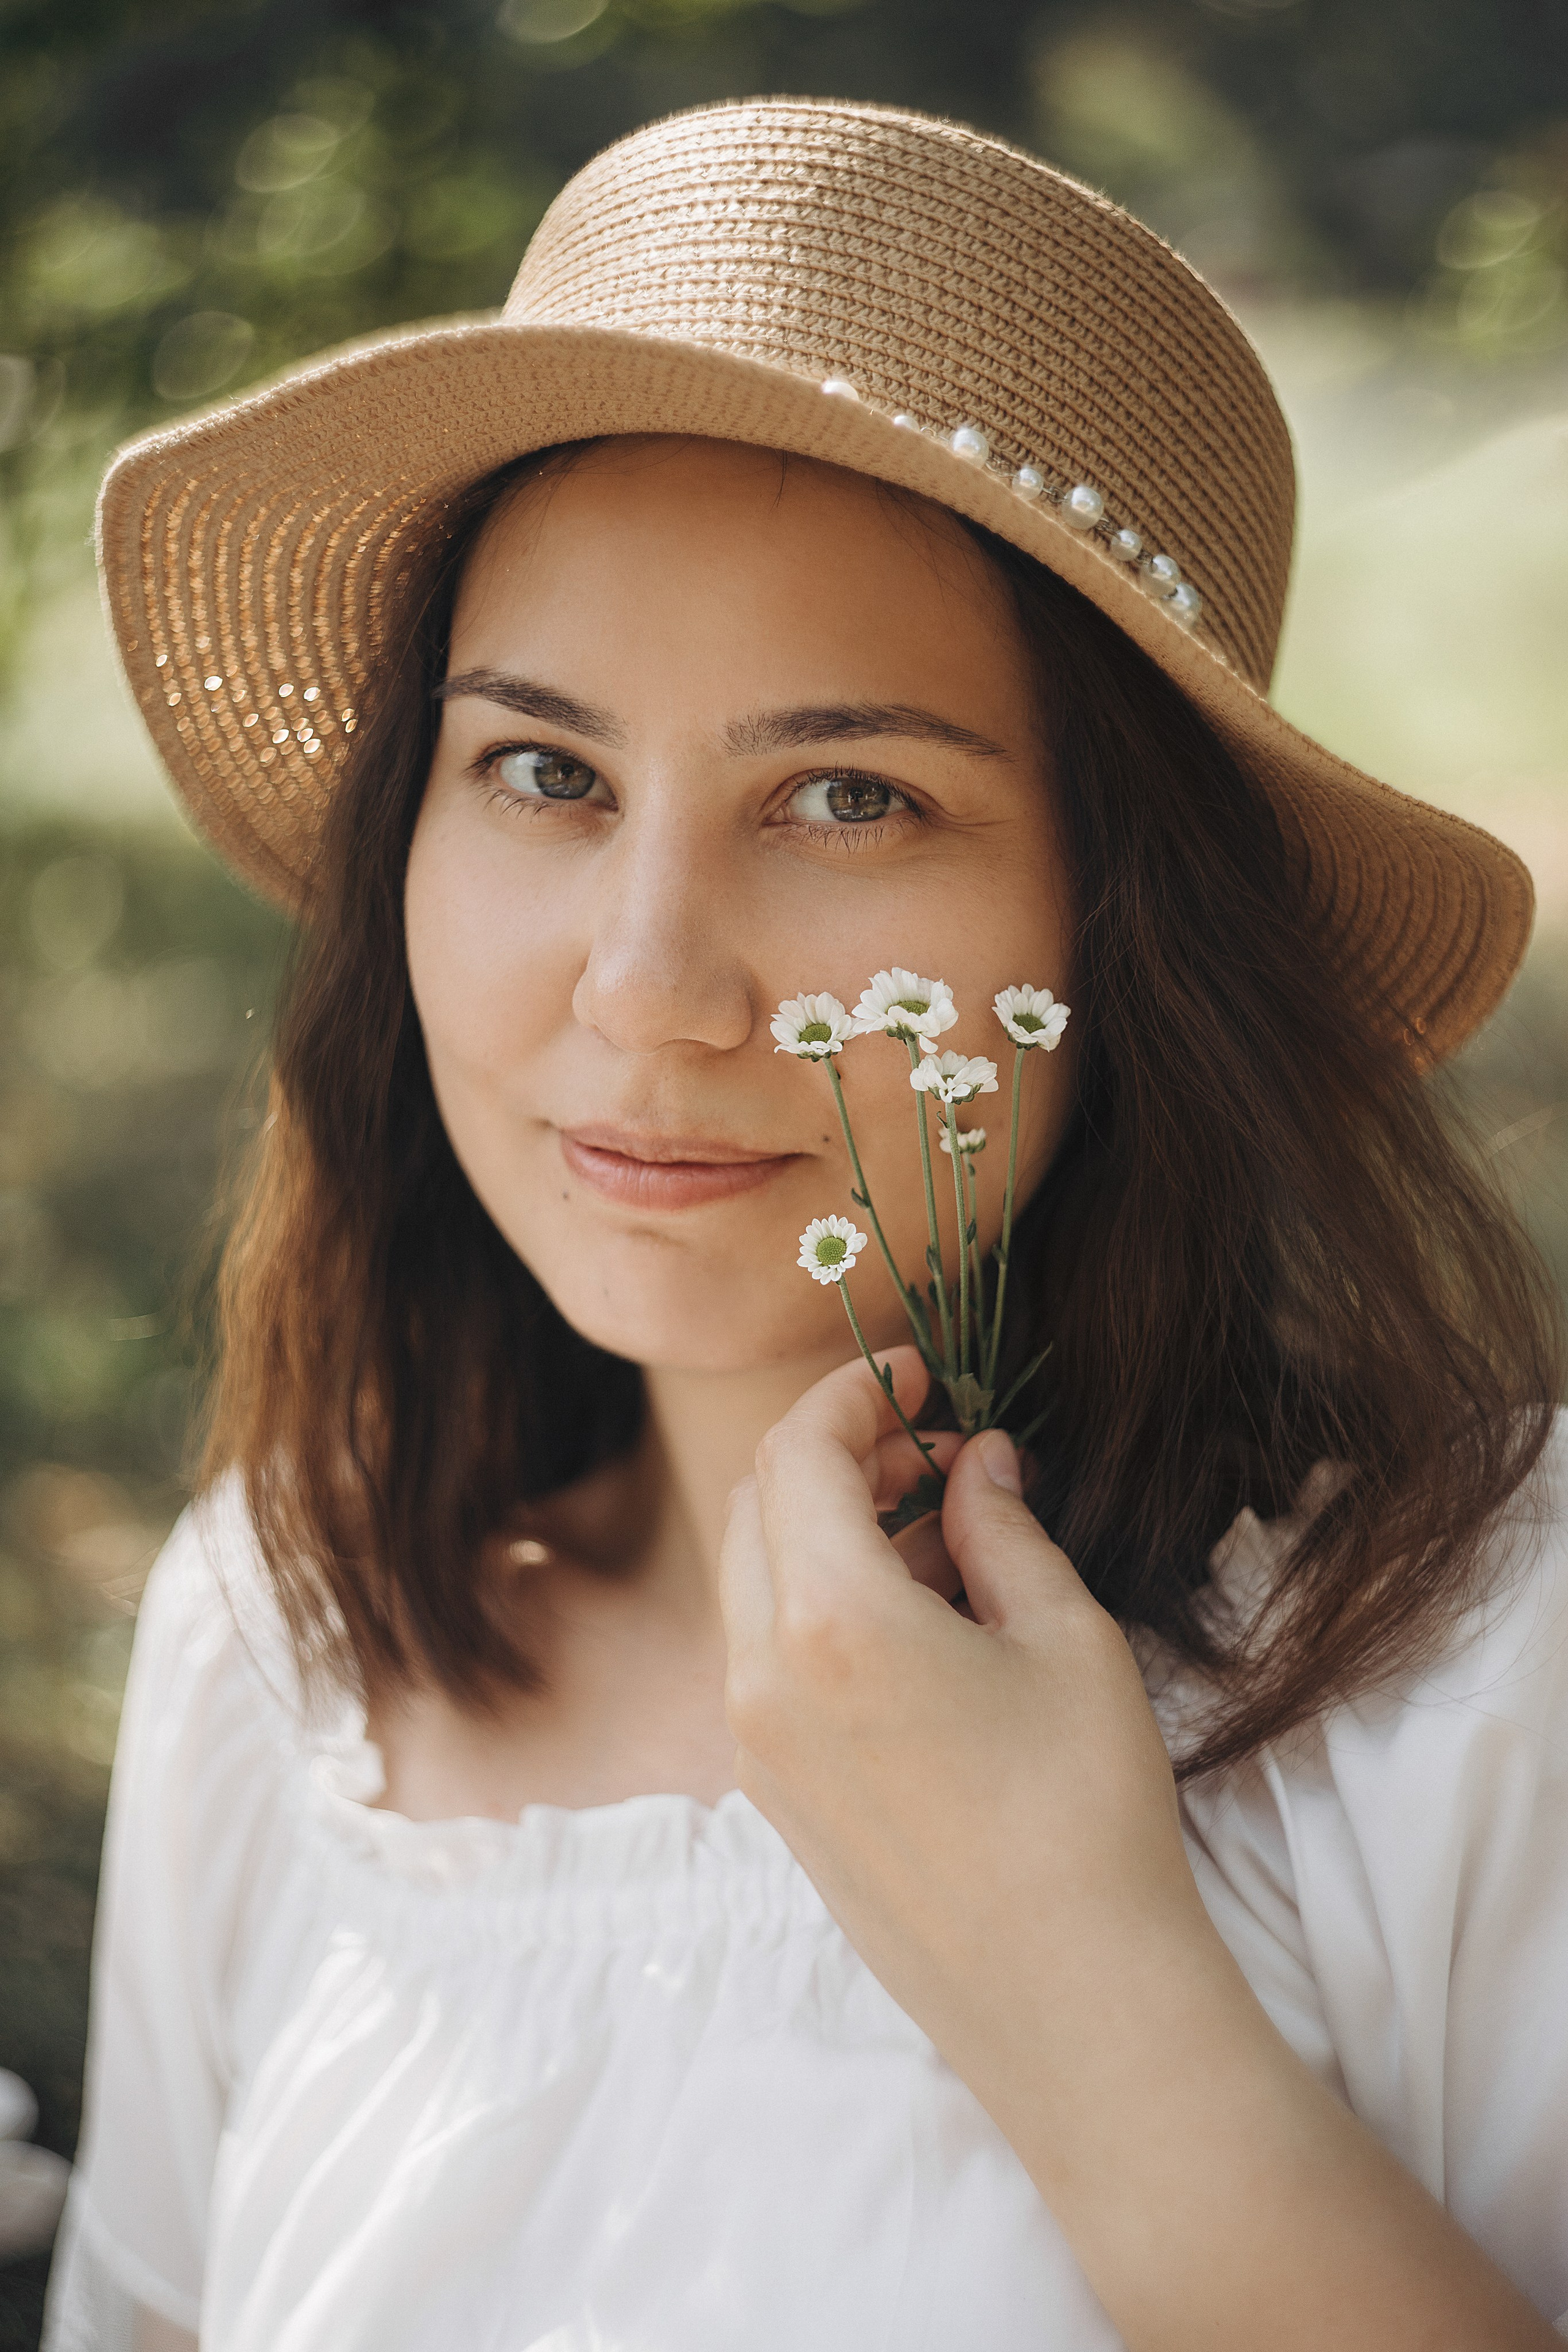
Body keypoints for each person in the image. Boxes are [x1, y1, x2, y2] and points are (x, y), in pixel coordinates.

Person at [45, 97, 1568, 2351]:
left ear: (1123, 929)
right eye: (544, 772)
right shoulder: (287, 1642)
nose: (649, 980)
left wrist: (1071, 1975)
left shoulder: (1476, 1670)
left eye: (849, 797)